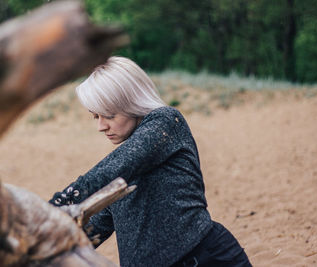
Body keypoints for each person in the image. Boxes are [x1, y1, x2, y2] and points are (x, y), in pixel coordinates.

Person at [49, 56, 251, 267]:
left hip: (208, 259)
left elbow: (120, 163)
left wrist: (57, 205)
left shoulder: (167, 122)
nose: (101, 126)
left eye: (108, 115)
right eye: (95, 116)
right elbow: (89, 234)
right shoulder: (122, 169)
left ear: (131, 103)